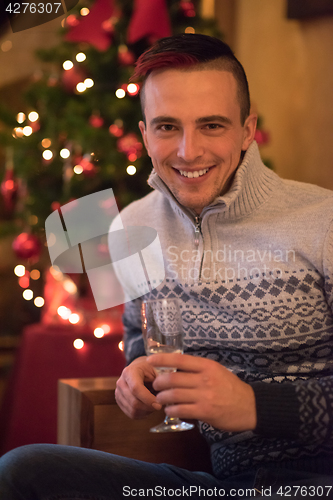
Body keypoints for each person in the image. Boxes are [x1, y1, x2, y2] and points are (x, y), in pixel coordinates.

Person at [0, 33, 332, 499]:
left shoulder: (323, 222)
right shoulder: (130, 225)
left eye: (212, 126)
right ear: (144, 135)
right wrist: (137, 382)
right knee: (22, 471)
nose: (188, 151)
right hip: (219, 488)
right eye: (167, 127)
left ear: (247, 128)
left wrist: (255, 405)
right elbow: (144, 357)